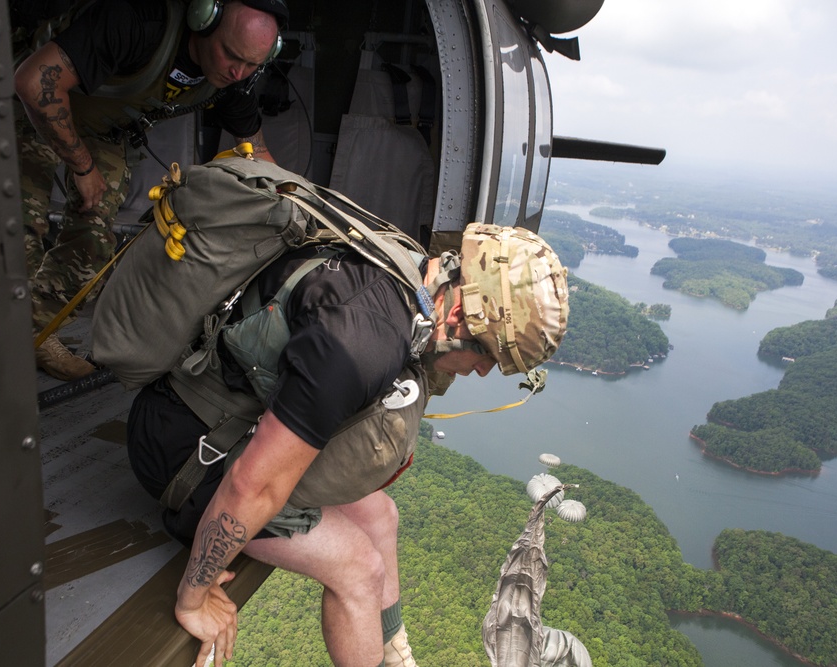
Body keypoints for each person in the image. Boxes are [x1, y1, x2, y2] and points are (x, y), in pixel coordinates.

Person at [125, 223, 569, 667]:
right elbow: (250, 488)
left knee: (381, 516)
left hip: (229, 416)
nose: (483, 372)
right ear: (457, 319)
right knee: (358, 569)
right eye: (488, 356)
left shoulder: (406, 271)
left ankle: (394, 655)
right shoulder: (357, 344)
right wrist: (193, 597)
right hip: (184, 453)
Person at [13, 0, 286, 380]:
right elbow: (32, 81)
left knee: (93, 242)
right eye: (230, 55)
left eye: (253, 64)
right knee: (18, 227)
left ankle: (33, 330)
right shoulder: (136, 22)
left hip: (97, 128)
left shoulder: (235, 80)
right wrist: (82, 166)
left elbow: (257, 152)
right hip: (32, 108)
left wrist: (297, 201)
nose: (238, 72)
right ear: (203, 19)